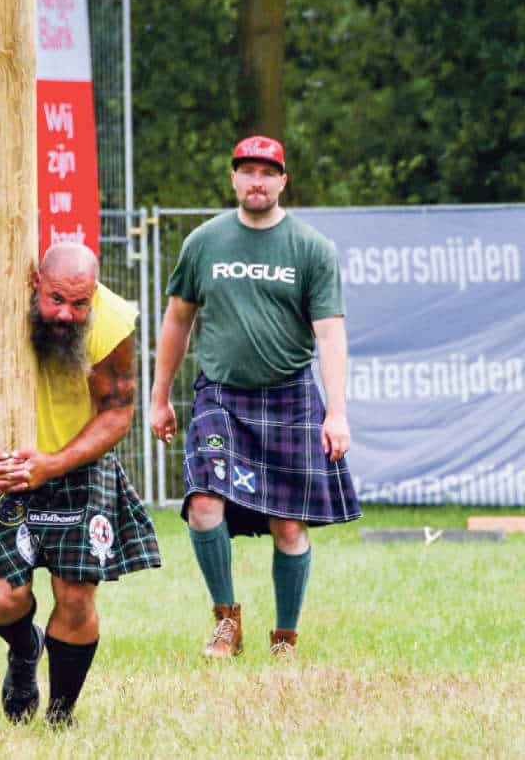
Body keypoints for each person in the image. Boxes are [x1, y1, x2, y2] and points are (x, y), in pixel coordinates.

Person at [148, 135, 360, 660]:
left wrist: (336, 411)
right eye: (247, 171)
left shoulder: (311, 248)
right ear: (234, 178)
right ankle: (226, 620)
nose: (257, 181)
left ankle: (284, 637)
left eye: (268, 172)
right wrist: (159, 397)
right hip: (219, 395)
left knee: (288, 522)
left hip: (289, 397)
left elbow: (331, 334)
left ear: (283, 180)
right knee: (202, 504)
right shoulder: (204, 242)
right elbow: (178, 319)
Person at [0, 242, 161, 726]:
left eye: (80, 303)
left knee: (76, 595)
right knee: (5, 597)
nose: (66, 314)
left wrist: (54, 463)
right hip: (0, 465)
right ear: (37, 282)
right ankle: (24, 651)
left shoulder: (113, 322)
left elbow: (118, 412)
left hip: (76, 463)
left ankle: (61, 715)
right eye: (56, 299)